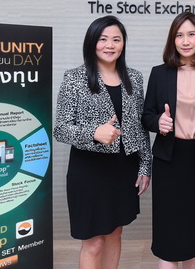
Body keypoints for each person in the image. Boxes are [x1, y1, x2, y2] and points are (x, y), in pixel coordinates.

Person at [53, 15, 152, 269]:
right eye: (103, 39)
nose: (110, 45)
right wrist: (94, 133)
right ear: (92, 42)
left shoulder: (134, 78)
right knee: (94, 243)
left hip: (124, 169)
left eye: (116, 39)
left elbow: (140, 126)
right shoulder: (75, 78)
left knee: (116, 233)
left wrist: (145, 166)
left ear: (123, 44)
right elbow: (60, 129)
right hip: (89, 171)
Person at [142, 12, 195, 269]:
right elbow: (147, 116)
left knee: (194, 227)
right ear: (173, 40)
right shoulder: (159, 73)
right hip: (168, 160)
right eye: (179, 35)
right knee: (168, 228)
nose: (186, 41)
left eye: (191, 34)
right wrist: (158, 123)